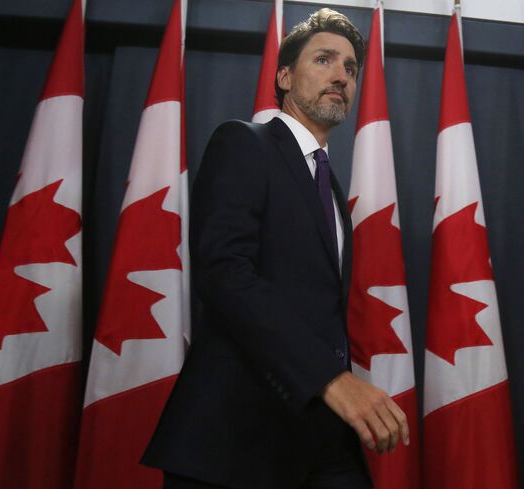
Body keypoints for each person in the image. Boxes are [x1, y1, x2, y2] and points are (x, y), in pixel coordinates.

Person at [142, 8, 409, 489]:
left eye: (350, 68)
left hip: (319, 439)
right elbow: (224, 273)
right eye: (324, 59)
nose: (341, 75)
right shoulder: (244, 142)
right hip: (234, 441)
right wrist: (331, 380)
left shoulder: (331, 190)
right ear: (284, 76)